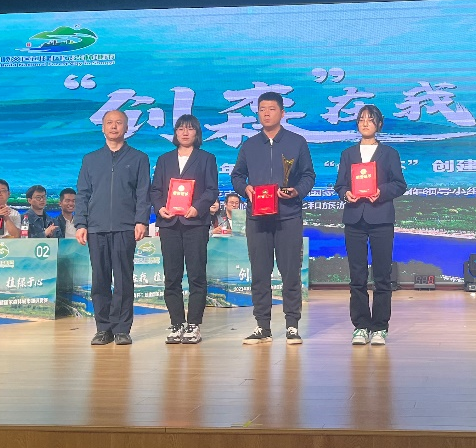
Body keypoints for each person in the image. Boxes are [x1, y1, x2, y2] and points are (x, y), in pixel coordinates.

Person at [230, 91, 316, 346]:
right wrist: (245, 189)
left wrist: (296, 191)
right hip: (258, 218)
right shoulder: (250, 145)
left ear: (282, 113)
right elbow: (237, 175)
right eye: (262, 109)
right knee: (260, 272)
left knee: (290, 272)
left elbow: (308, 176)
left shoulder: (297, 142)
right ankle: (262, 326)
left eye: (271, 109)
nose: (266, 113)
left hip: (288, 216)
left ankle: (292, 325)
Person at [75, 109, 151, 346]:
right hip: (96, 227)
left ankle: (122, 328)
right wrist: (81, 223)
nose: (114, 126)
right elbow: (83, 193)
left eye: (119, 123)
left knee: (123, 279)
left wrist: (141, 220)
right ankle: (103, 328)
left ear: (127, 128)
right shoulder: (91, 159)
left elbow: (143, 193)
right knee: (100, 279)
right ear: (103, 128)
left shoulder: (139, 158)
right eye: (109, 122)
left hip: (125, 227)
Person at [333, 105, 407, 346]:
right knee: (357, 276)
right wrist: (346, 194)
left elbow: (399, 184)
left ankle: (380, 327)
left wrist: (380, 192)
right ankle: (361, 326)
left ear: (379, 124)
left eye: (370, 119)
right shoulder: (348, 154)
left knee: (382, 275)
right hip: (354, 218)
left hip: (381, 218)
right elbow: (339, 185)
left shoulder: (390, 154)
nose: (365, 123)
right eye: (361, 119)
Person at [150, 114, 219, 345]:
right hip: (169, 224)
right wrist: (159, 207)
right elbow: (155, 190)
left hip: (195, 224)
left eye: (190, 129)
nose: (185, 133)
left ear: (197, 133)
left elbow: (211, 190)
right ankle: (176, 323)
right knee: (172, 276)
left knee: (197, 275)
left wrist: (197, 208)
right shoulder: (164, 159)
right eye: (181, 128)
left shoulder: (206, 158)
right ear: (175, 133)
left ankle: (193, 325)